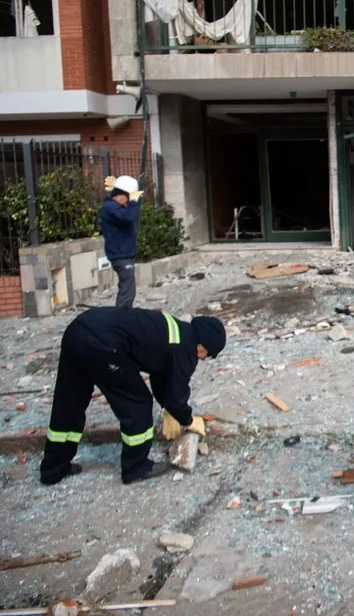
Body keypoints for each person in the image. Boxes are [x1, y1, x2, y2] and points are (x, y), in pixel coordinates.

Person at [39, 307, 226, 485]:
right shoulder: (186, 348)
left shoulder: (174, 330)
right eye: (208, 354)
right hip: (104, 345)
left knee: (69, 403)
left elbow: (161, 377)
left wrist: (168, 408)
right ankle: (136, 467)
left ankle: (53, 469)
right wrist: (188, 419)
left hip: (78, 329)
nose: (203, 358)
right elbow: (177, 392)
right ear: (203, 345)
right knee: (138, 403)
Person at [99, 175, 143, 309]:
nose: (129, 202)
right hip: (120, 255)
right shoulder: (110, 208)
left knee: (128, 289)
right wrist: (134, 202)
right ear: (122, 195)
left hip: (124, 254)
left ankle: (122, 317)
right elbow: (128, 217)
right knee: (127, 291)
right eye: (129, 198)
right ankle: (121, 318)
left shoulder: (114, 208)